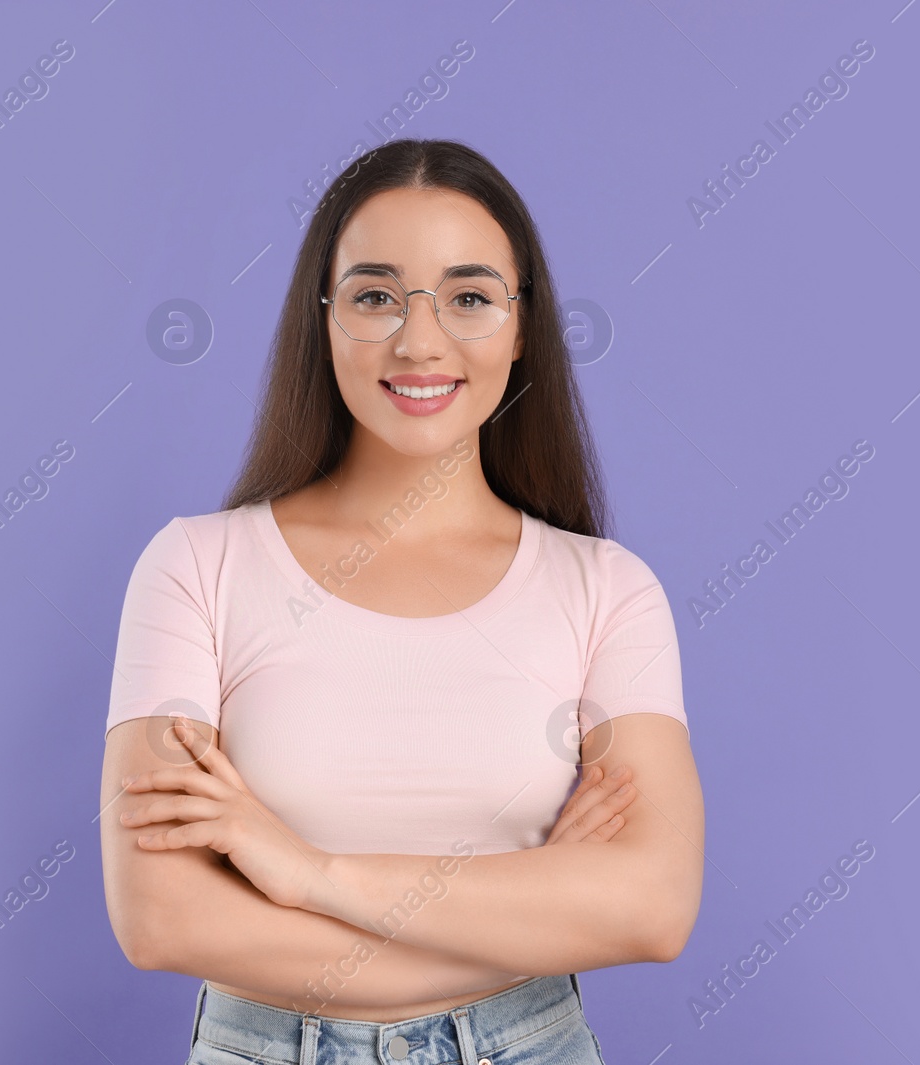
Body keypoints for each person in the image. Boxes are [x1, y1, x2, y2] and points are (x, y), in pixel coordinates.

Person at [100, 138, 704, 1065]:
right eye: (376, 294)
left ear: (521, 324)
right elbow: (161, 919)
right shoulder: (197, 567)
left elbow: (653, 908)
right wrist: (532, 897)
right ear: (324, 318)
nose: (421, 341)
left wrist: (310, 874)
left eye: (469, 296)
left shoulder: (606, 588)